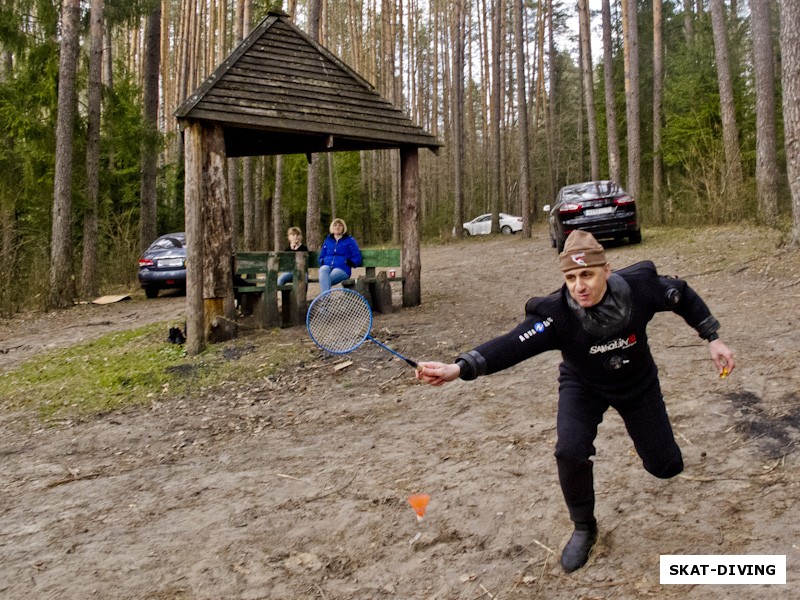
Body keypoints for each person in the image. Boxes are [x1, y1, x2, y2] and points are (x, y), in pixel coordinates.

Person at [414, 230, 735, 573]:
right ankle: (584, 527)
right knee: (569, 450)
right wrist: (457, 368)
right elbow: (511, 344)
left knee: (666, 467)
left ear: (606, 271)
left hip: (638, 384)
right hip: (583, 387)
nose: (579, 286)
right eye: (570, 277)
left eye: (587, 275)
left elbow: (681, 295)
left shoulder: (639, 288)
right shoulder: (555, 315)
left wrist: (712, 338)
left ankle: (657, 456)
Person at [318, 218, 362, 293]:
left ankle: (325, 302)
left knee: (326, 280)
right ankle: (326, 300)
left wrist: (350, 262)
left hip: (342, 268)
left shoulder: (350, 240)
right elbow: (322, 255)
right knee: (322, 270)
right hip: (327, 265)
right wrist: (322, 261)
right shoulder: (328, 240)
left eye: (340, 225)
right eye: (335, 225)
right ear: (332, 227)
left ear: (343, 228)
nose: (337, 227)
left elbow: (357, 257)